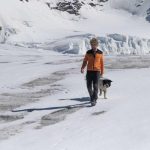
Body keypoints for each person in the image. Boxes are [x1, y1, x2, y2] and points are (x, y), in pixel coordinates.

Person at [81, 38, 104, 106]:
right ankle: (93, 97)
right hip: (89, 71)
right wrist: (82, 68)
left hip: (97, 72)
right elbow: (85, 61)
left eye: (94, 45)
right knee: (88, 86)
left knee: (95, 86)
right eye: (92, 45)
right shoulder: (88, 52)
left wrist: (102, 73)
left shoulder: (100, 53)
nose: (93, 46)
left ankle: (93, 99)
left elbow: (102, 63)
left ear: (97, 45)